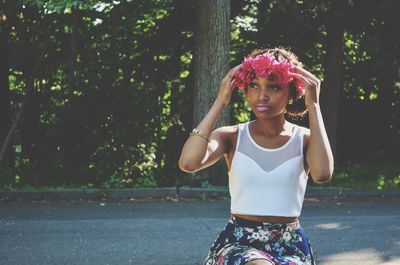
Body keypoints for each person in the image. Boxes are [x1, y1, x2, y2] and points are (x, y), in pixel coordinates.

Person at [178, 47, 334, 265]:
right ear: (244, 89)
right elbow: (188, 162)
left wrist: (314, 105)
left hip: (290, 245)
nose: (262, 95)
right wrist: (220, 102)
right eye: (254, 85)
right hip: (239, 244)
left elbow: (322, 173)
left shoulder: (306, 139)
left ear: (291, 92)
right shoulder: (231, 136)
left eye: (274, 87)